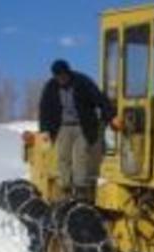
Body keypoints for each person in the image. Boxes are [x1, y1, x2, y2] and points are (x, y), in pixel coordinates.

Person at [39, 59, 115, 200]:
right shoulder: (51, 87)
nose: (61, 79)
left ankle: (81, 190)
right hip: (62, 126)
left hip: (83, 126)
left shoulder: (82, 82)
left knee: (81, 156)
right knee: (63, 157)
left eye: (63, 76)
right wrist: (44, 129)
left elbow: (99, 99)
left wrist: (111, 116)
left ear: (68, 73)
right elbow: (44, 109)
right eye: (58, 77)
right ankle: (66, 189)